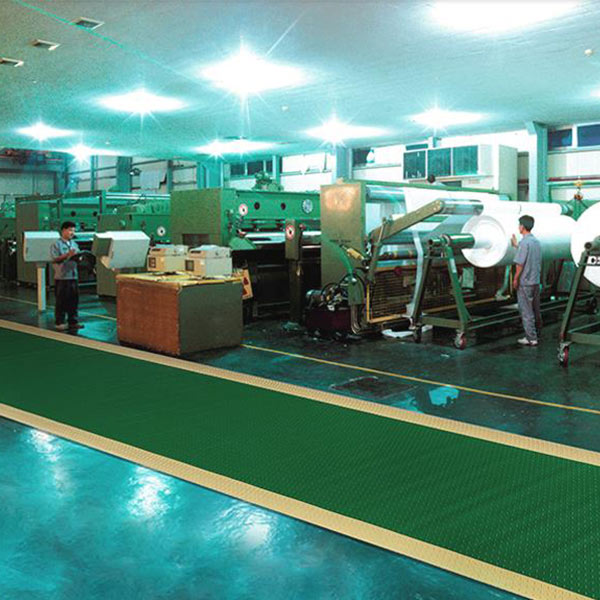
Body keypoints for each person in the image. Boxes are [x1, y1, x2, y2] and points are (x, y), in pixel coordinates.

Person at [511, 215, 542, 346]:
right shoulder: (536, 242)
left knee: (526, 311)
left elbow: (520, 264)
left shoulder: (524, 243)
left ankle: (531, 338)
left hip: (525, 282)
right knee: (535, 309)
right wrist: (516, 245)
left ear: (522, 227)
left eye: (519, 225)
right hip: (535, 281)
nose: (518, 227)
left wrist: (515, 279)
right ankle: (537, 334)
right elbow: (527, 254)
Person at [50, 221, 84, 331]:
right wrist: (67, 255)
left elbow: (78, 256)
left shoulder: (74, 244)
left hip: (73, 276)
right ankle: (59, 322)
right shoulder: (56, 245)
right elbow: (54, 259)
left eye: (73, 231)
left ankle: (73, 321)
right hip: (62, 277)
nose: (72, 233)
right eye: (70, 230)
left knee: (73, 301)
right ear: (63, 230)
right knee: (61, 301)